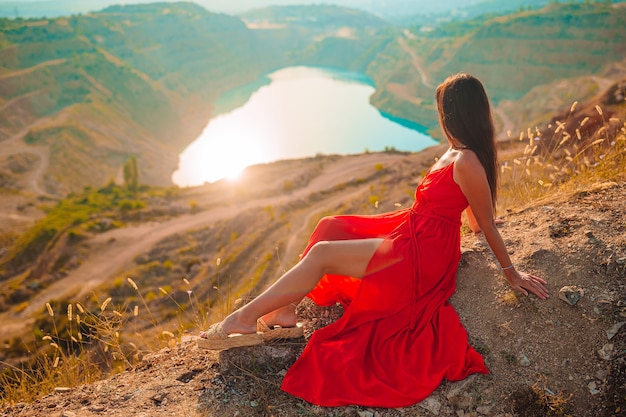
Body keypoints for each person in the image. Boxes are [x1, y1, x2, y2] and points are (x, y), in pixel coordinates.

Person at [199, 72, 549, 407]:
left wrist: (511, 274)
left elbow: (486, 223)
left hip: (422, 253)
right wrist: (473, 222)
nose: (441, 118)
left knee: (321, 254)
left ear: (455, 115)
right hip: (412, 229)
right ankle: (284, 310)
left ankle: (244, 319)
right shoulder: (457, 150)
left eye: (443, 111)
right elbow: (471, 210)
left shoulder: (468, 160)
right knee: (330, 226)